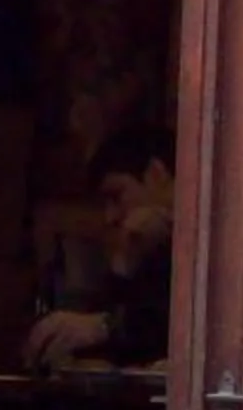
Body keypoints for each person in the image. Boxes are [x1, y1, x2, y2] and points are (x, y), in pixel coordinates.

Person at [26, 125, 176, 370]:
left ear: (156, 174)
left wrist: (105, 327)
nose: (110, 217)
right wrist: (124, 263)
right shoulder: (149, 247)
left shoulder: (212, 243)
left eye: (117, 196)